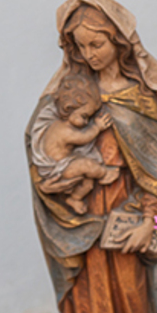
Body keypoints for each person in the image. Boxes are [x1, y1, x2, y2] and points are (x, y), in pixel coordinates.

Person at [25, 0, 157, 313]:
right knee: (87, 299)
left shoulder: (138, 98)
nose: (90, 54)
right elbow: (40, 149)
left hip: (124, 210)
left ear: (119, 41)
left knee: (130, 294)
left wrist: (148, 219)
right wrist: (57, 176)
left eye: (97, 43)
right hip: (80, 217)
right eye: (81, 46)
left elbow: (153, 166)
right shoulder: (67, 96)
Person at [31, 73, 119, 215]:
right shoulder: (64, 130)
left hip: (66, 163)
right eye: (84, 116)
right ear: (70, 107)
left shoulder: (59, 123)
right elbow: (84, 137)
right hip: (58, 169)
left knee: (88, 183)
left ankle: (75, 198)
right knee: (87, 165)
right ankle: (104, 173)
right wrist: (97, 127)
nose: (86, 122)